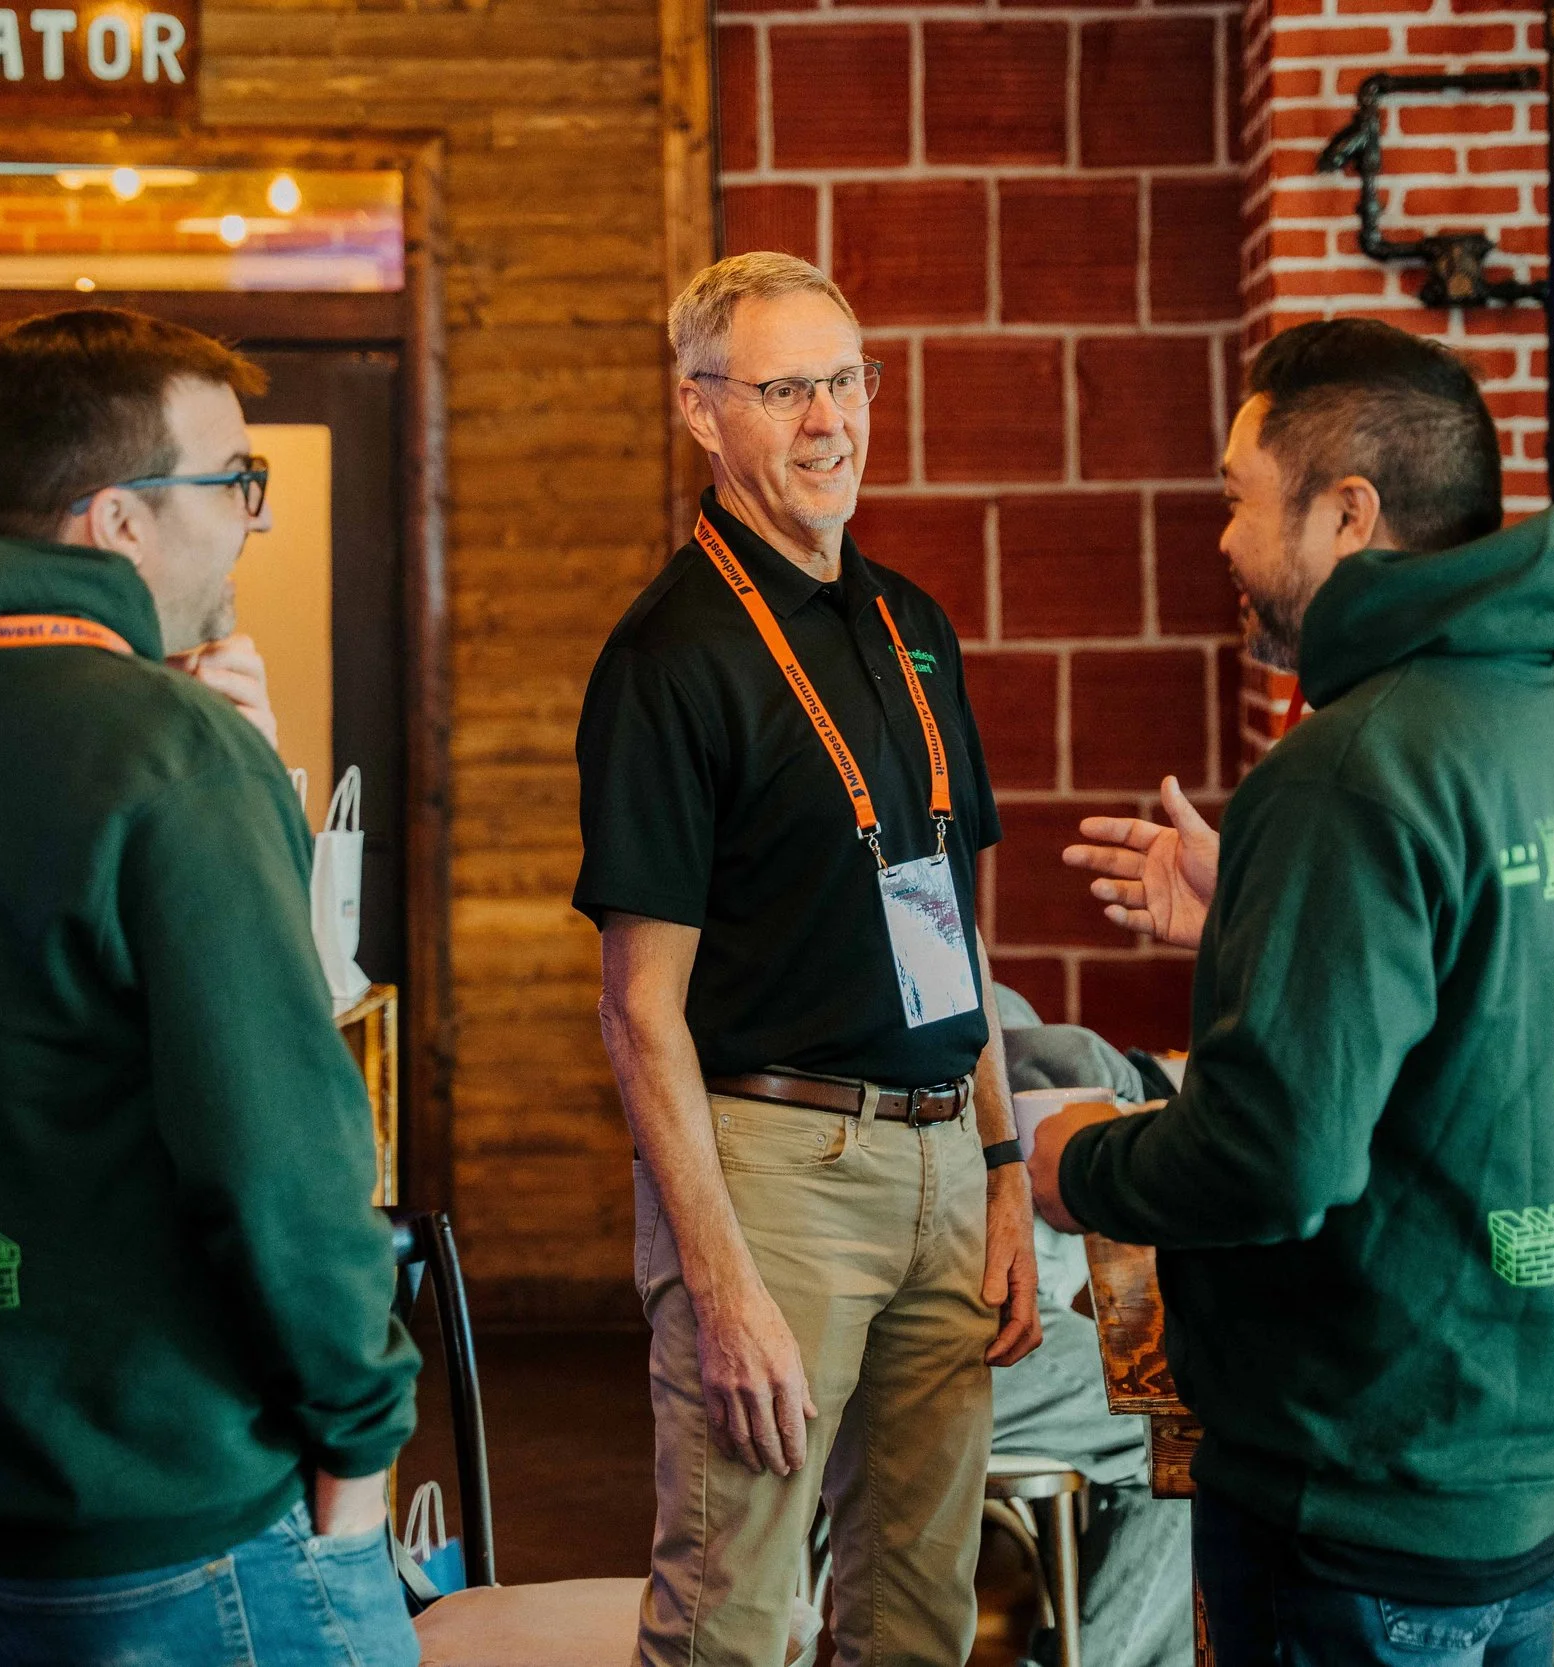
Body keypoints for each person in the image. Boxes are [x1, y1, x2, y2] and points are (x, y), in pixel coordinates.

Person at [0, 306, 421, 1667]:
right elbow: (281, 1163)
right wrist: (363, 1444)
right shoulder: (169, 752)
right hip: (144, 1531)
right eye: (236, 484)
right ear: (119, 518)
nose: (252, 522)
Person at [1032, 317, 1554, 1666]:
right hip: (1527, 1466)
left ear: (1348, 512)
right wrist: (1258, 915)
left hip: (1365, 1487)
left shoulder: (1349, 766)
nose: (1222, 541)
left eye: (1240, 499)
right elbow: (1472, 1029)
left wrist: (1066, 1155)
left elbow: (1273, 1159)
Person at [576, 251, 1042, 1667]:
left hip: (942, 1159)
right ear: (703, 414)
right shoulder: (669, 658)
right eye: (785, 390)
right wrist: (721, 1286)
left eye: (845, 381)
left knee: (918, 1611)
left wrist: (1005, 1166)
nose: (828, 419)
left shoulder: (913, 626)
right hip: (776, 1176)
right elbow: (638, 1009)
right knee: (730, 1613)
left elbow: (958, 919)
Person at [989, 988, 1196, 1667]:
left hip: (976, 1313)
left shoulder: (999, 996)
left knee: (1184, 1413)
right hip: (952, 1323)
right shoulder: (1062, 1056)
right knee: (1184, 1431)